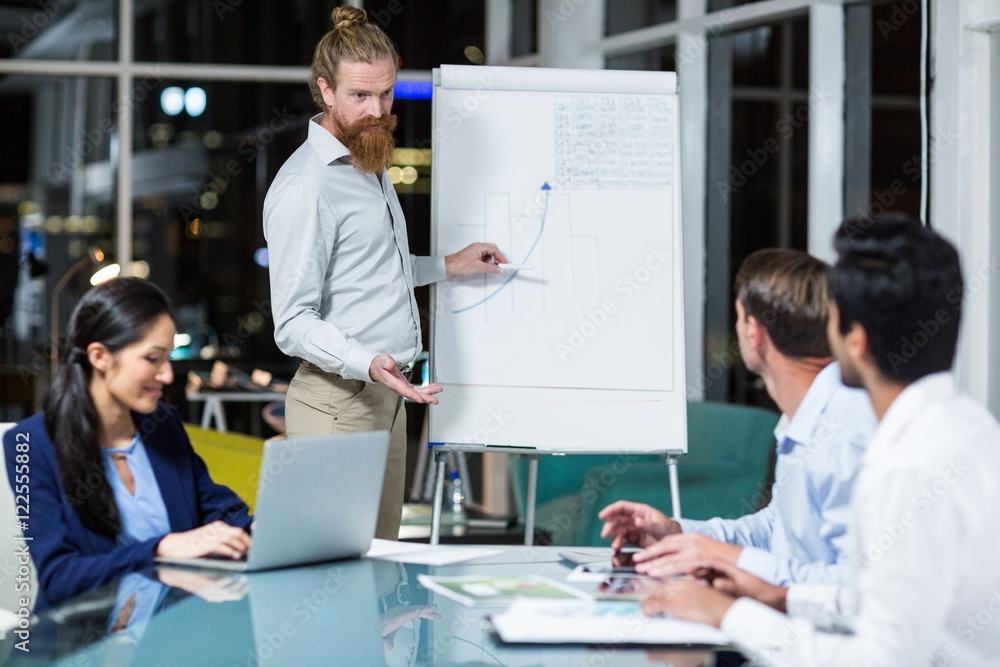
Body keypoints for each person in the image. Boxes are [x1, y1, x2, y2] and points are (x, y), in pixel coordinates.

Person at [643, 214, 1000, 666]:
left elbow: (879, 659)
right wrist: (777, 596)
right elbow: (871, 597)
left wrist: (731, 615)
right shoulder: (971, 428)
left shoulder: (904, 465)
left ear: (855, 340)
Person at [263, 6, 507, 541]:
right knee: (333, 588)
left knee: (378, 571)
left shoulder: (365, 161)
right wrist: (368, 362)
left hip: (385, 399)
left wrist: (447, 266)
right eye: (359, 96)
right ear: (325, 91)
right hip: (336, 404)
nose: (377, 110)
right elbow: (293, 322)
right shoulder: (307, 187)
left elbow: (371, 272)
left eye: (387, 94)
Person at [599, 249, 876, 585]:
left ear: (753, 331)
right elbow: (778, 529)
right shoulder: (805, 418)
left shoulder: (846, 432)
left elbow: (858, 585)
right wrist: (679, 535)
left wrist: (726, 568)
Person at [2, 278, 252, 612]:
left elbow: (219, 509)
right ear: (100, 356)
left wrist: (264, 530)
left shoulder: (162, 425)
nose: (166, 375)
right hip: (78, 645)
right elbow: (59, 576)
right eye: (152, 359)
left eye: (168, 358)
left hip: (166, 632)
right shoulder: (30, 443)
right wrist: (159, 548)